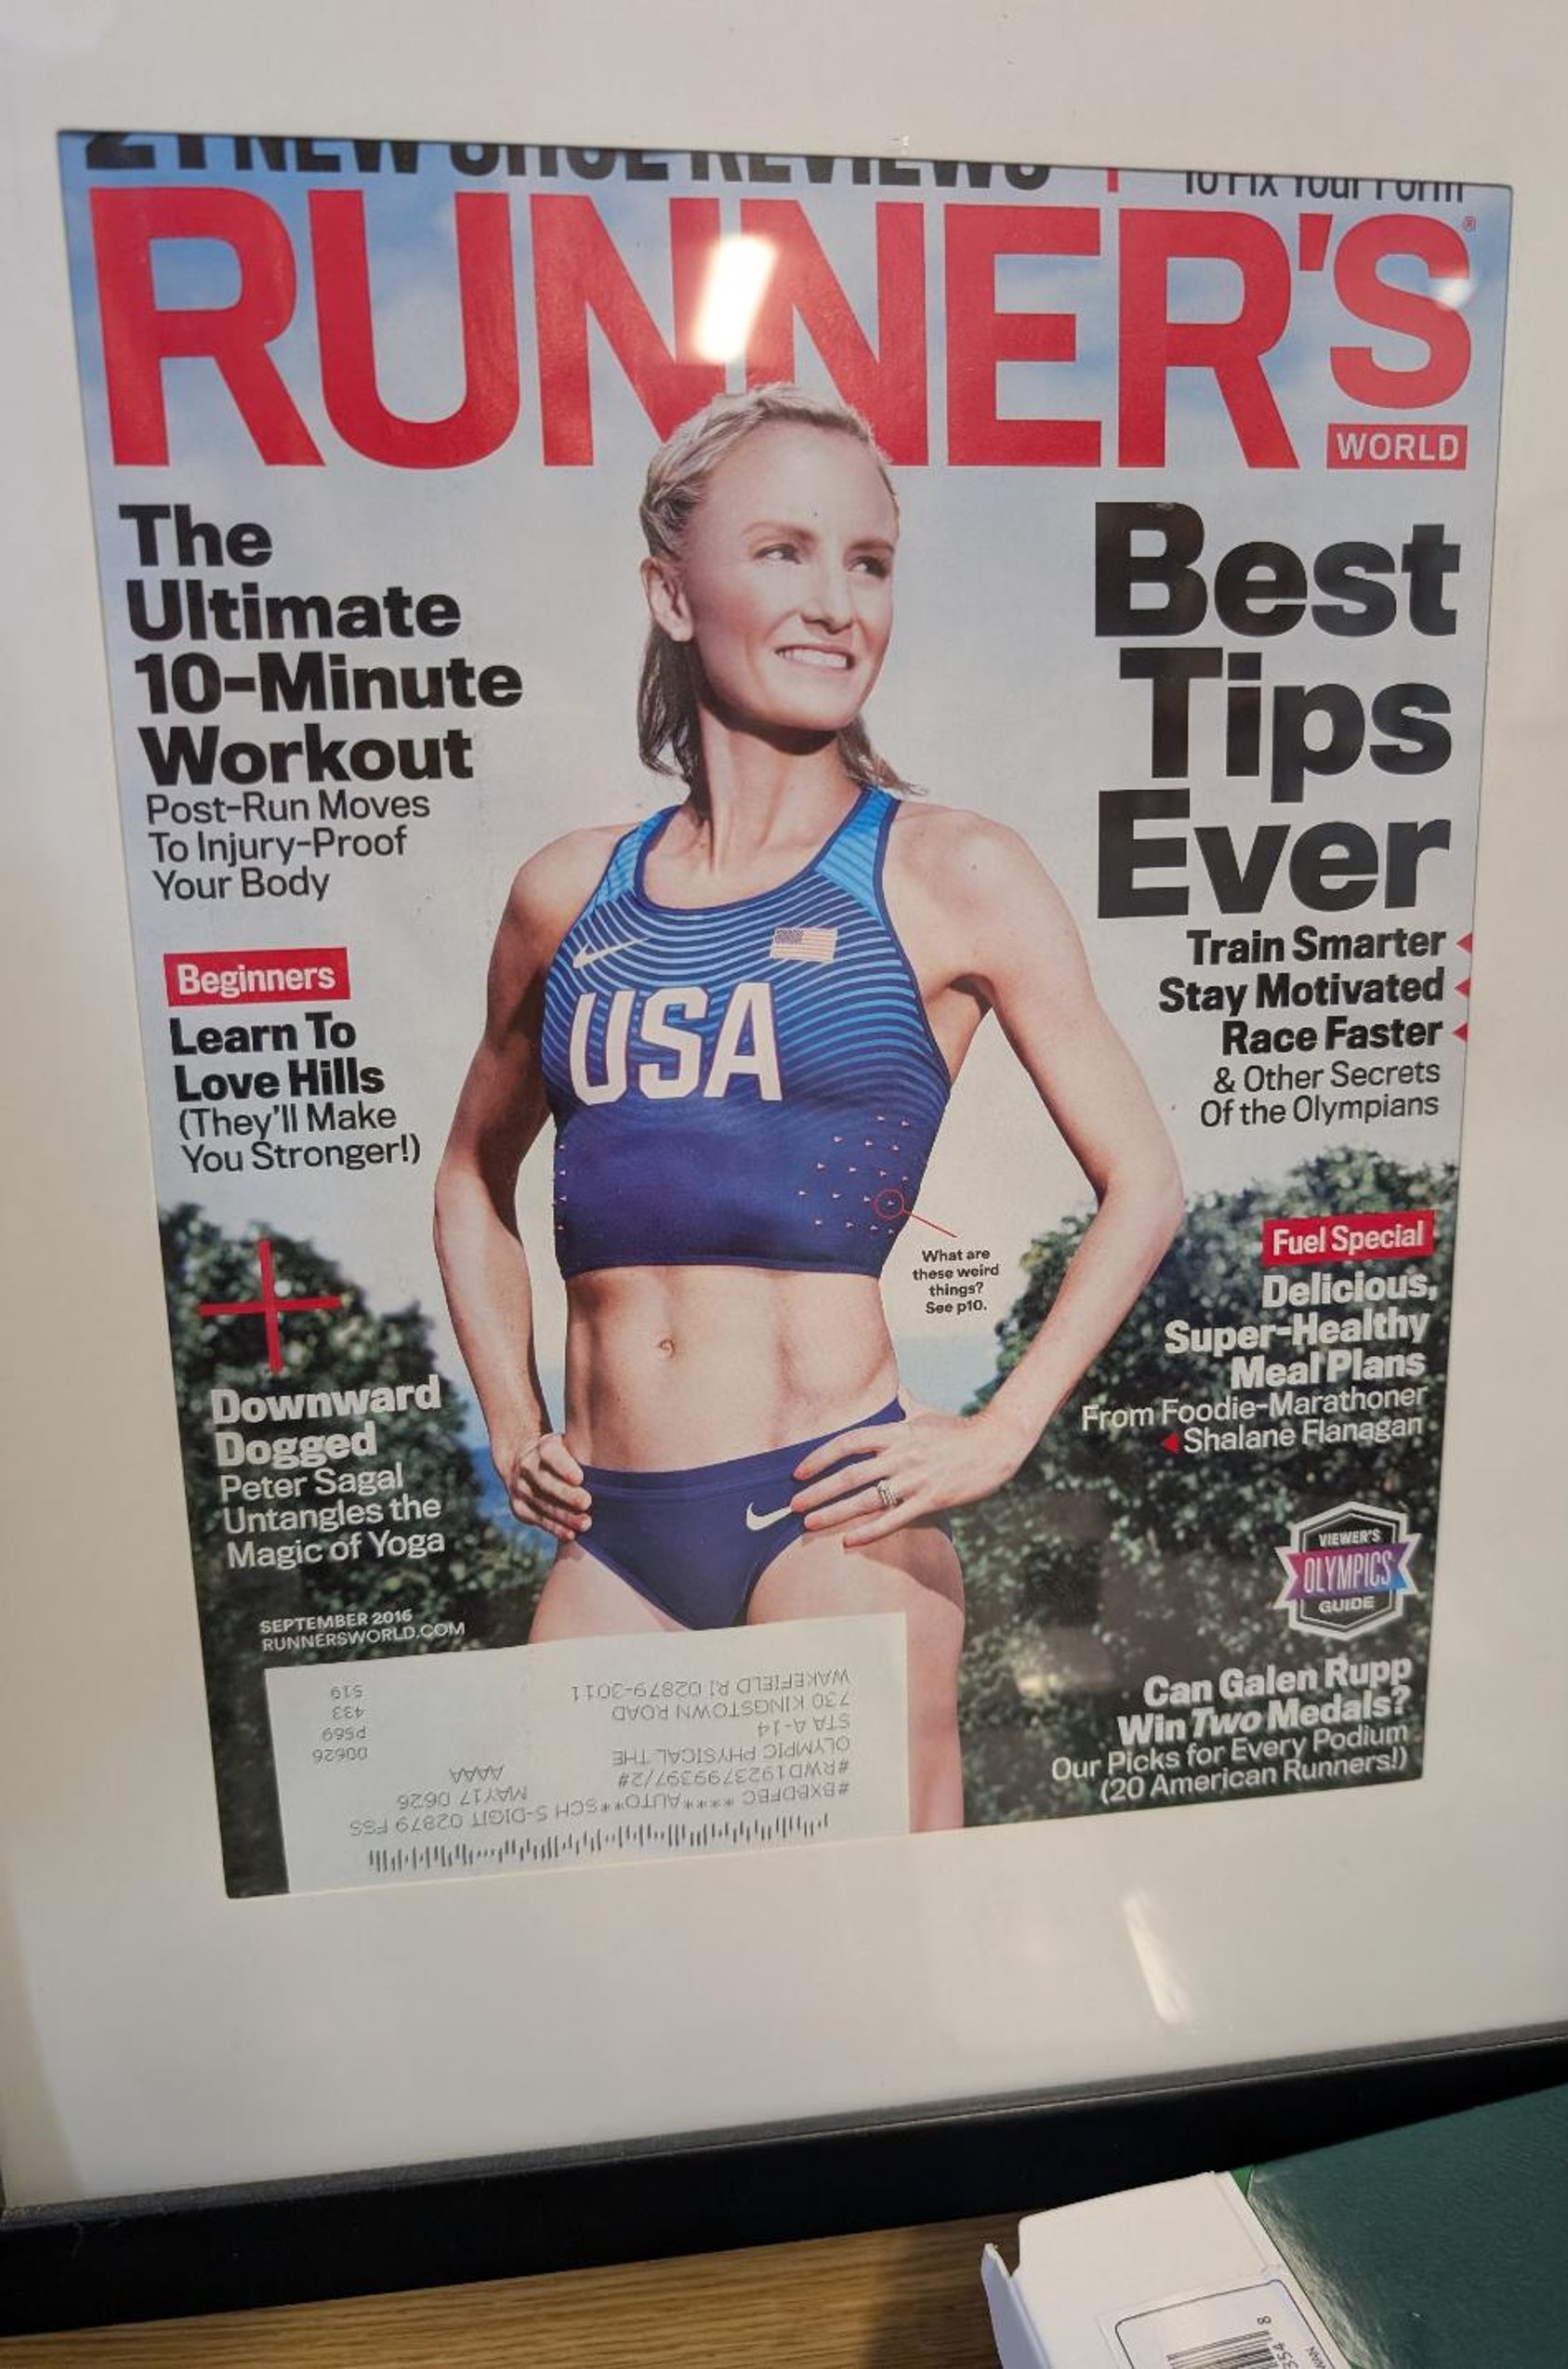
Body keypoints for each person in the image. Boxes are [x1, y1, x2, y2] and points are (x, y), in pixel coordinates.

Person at [434, 383, 1181, 1832]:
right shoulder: (568, 892)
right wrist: (510, 1405)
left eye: (870, 562)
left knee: (888, 1972)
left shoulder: (952, 870)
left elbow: (1144, 1179)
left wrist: (1004, 1426)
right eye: (782, 551)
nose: (836, 602)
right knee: (589, 1965)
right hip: (614, 1542)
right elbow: (473, 1171)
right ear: (671, 590)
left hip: (826, 1516)